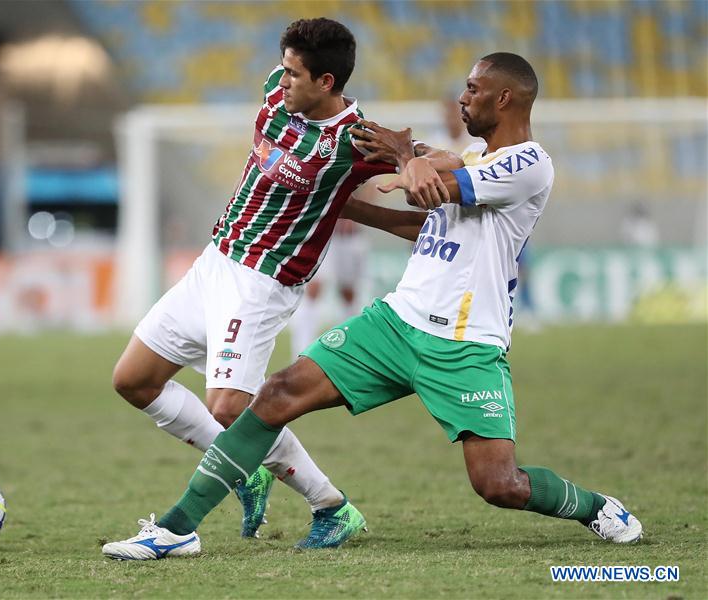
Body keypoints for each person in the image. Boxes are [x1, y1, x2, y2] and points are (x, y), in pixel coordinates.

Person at [102, 52, 642, 560]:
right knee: (276, 395)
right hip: (396, 324)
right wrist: (342, 203)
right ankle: (176, 530)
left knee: (498, 484)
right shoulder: (477, 156)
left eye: (473, 89)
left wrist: (405, 152)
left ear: (505, 100)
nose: (462, 98)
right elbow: (420, 222)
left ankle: (597, 507)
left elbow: (426, 192)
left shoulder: (529, 165)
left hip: (463, 345)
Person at [106, 17, 427, 555]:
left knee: (231, 406)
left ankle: (331, 506)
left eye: (294, 74)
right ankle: (242, 467)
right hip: (216, 261)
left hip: (262, 281)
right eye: (281, 68)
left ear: (326, 81)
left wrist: (409, 155)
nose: (280, 82)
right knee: (133, 380)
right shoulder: (278, 95)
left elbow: (430, 165)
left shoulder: (354, 139)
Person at [288, 218, 368, 361]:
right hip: (324, 229)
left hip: (349, 235)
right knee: (314, 287)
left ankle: (348, 349)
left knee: (348, 293)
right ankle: (301, 352)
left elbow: (370, 195)